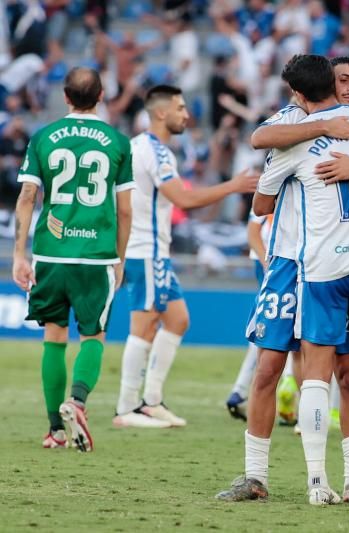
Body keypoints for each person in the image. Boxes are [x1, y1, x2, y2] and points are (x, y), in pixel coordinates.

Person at [217, 56, 349, 506]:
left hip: (328, 263)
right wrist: (321, 127)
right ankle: (256, 476)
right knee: (267, 369)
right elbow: (260, 139)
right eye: (344, 80)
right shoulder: (293, 122)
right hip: (288, 259)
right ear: (321, 87)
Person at [112, 85, 258, 429]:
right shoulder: (156, 151)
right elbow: (183, 199)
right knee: (144, 324)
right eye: (180, 108)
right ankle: (126, 407)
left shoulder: (138, 146)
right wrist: (233, 186)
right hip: (145, 250)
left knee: (177, 319)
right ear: (161, 113)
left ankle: (151, 401)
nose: (187, 114)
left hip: (151, 250)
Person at [12, 67, 135, 451]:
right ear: (101, 96)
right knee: (93, 336)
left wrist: (19, 254)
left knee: (54, 336)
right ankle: (77, 402)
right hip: (95, 256)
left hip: (50, 254)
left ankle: (55, 430)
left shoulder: (43, 137)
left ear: (65, 97)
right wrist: (120, 258)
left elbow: (27, 198)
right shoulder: (117, 142)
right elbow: (126, 209)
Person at [225, 209, 273, 421]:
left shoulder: (271, 178)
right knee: (289, 328)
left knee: (267, 327)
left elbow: (253, 228)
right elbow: (254, 228)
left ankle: (240, 391)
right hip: (278, 261)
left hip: (267, 260)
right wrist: (267, 263)